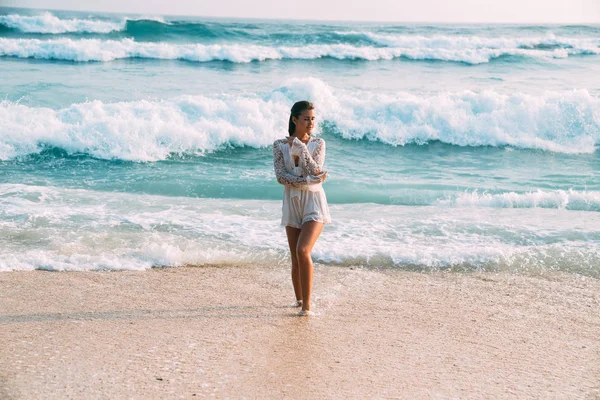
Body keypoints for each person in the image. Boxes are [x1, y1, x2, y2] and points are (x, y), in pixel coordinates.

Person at [273, 100, 331, 316]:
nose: (310, 123)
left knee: (303, 250)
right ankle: (298, 301)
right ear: (295, 119)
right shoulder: (279, 145)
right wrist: (307, 180)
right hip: (292, 202)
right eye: (306, 118)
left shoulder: (318, 143)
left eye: (313, 119)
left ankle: (307, 307)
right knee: (295, 257)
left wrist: (302, 149)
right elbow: (280, 177)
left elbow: (315, 170)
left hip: (314, 202)